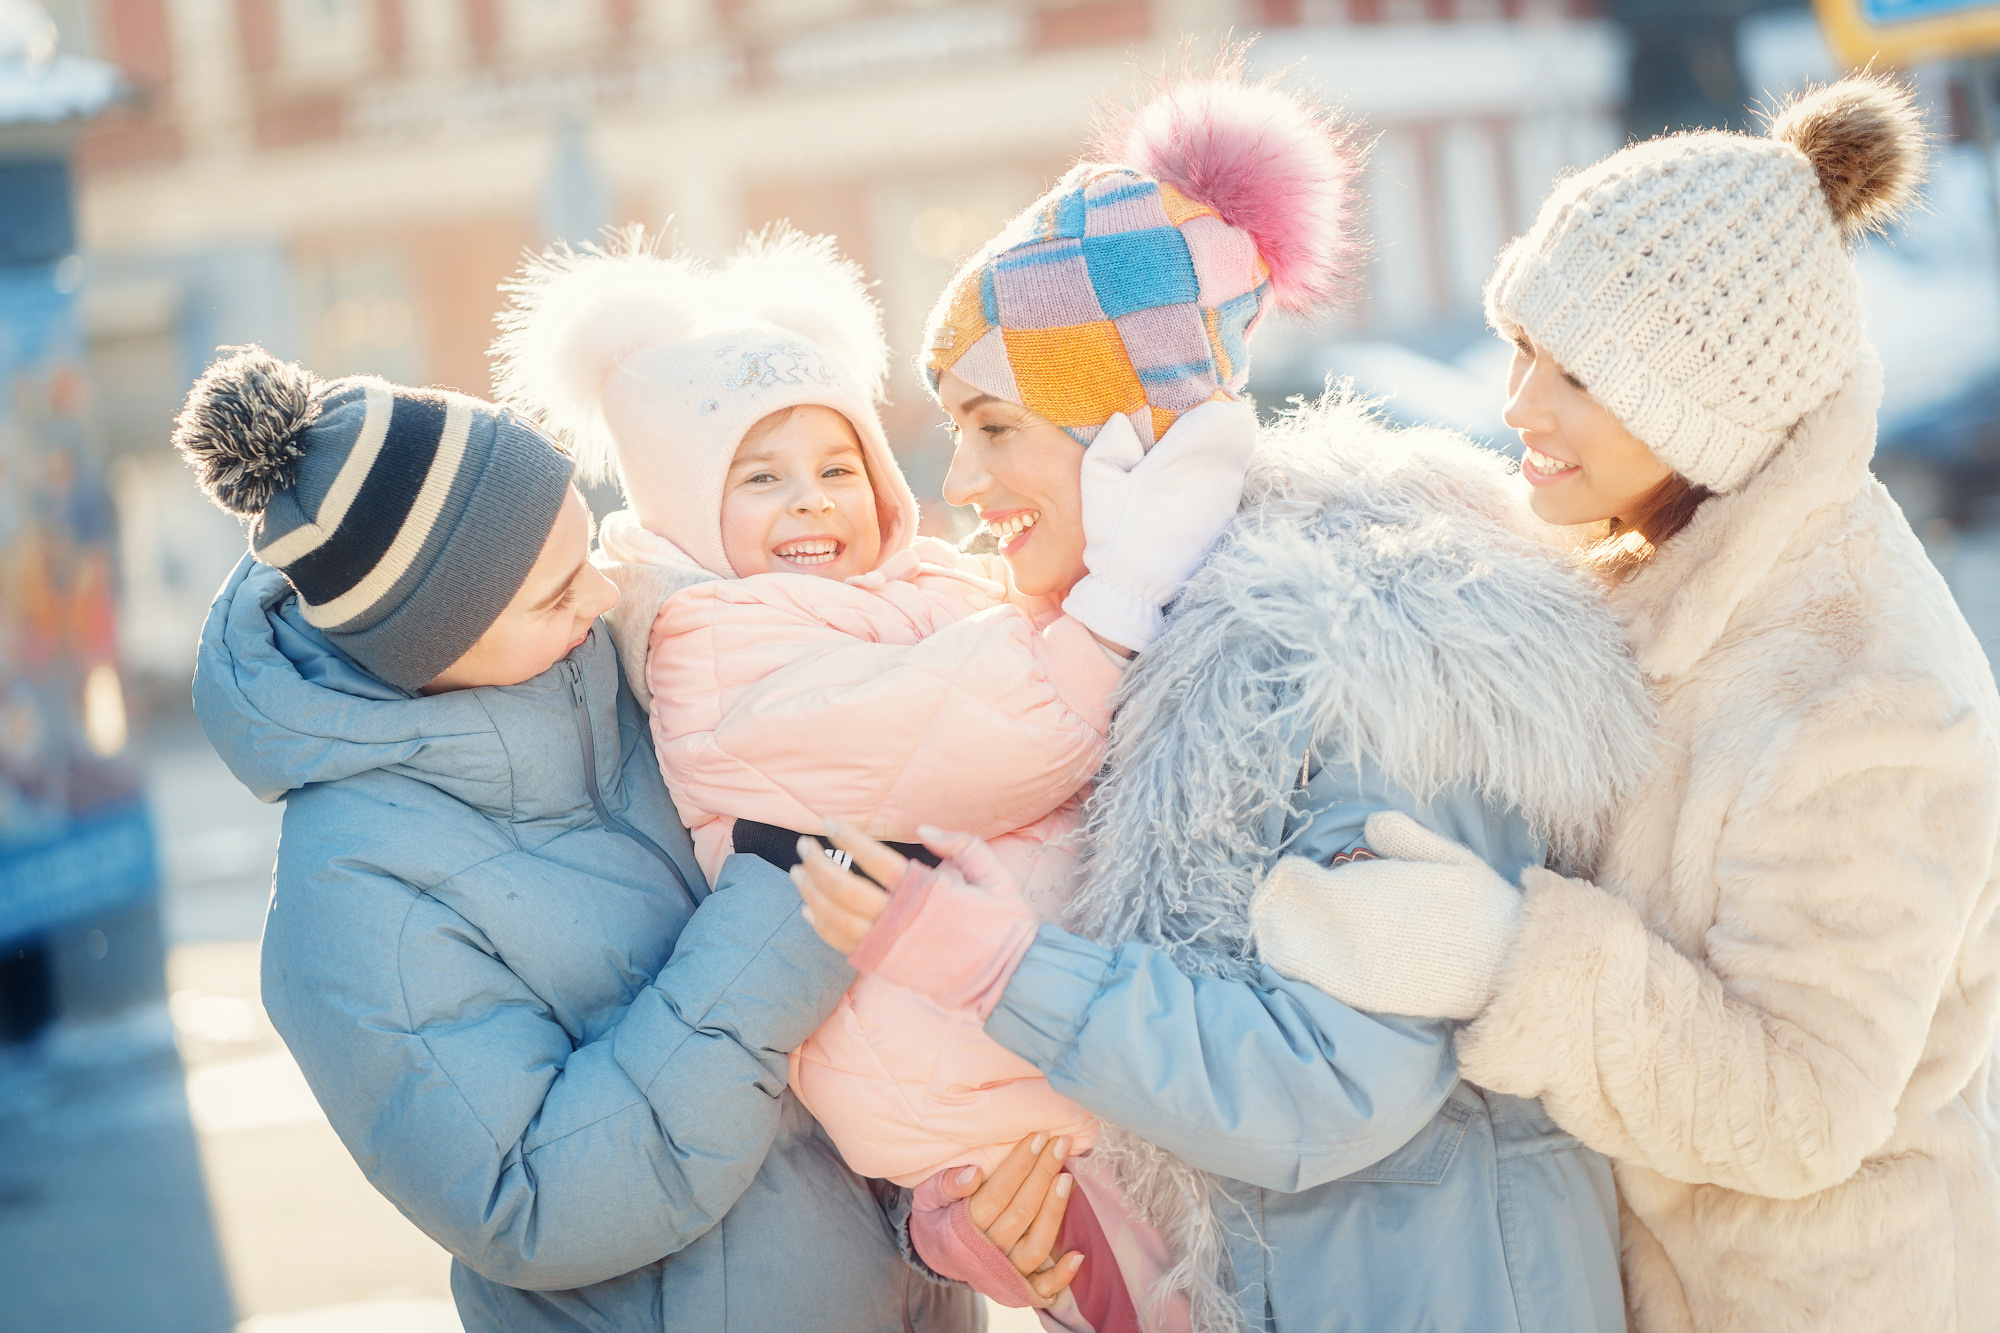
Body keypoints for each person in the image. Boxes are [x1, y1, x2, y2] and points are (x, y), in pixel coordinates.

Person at [790, 53, 1658, 1333]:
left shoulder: (1350, 645)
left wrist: (997, 965)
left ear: (1133, 428)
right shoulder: (1105, 667)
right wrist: (1005, 1223)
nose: (959, 482)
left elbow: (1332, 1084)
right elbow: (1158, 1129)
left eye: (995, 426)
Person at [1253, 74, 2000, 1330]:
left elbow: (1802, 1106)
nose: (1515, 405)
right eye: (1521, 346)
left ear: (1705, 410)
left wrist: (1502, 955)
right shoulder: (1651, 544)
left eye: (1577, 376)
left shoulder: (1866, 696)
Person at [490, 220, 1256, 1330]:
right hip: (988, 1116)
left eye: (838, 469)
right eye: (760, 477)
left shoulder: (921, 587)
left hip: (1045, 1054)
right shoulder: (715, 656)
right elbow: (1008, 731)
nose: (811, 501)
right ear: (685, 509)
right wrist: (1118, 592)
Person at [172, 347, 1014, 1331]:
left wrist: (933, 1211)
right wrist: (786, 915)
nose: (603, 596)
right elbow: (533, 1204)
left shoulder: (641, 672)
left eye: (586, 549)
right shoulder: (355, 902)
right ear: (434, 642)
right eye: (555, 590)